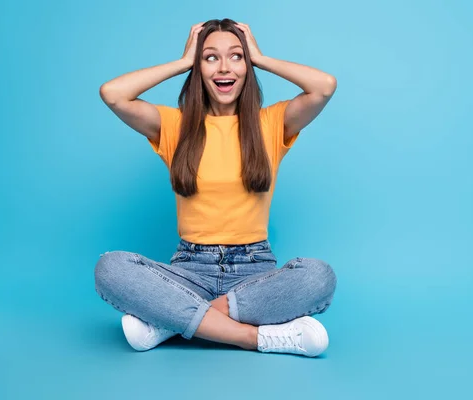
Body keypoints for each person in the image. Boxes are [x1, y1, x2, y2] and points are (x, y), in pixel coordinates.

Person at [95, 18, 337, 357]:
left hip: (254, 274)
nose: (224, 67)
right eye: (210, 57)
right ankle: (253, 337)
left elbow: (324, 86)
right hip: (189, 269)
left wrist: (260, 57)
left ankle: (172, 321)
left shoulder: (271, 123)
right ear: (199, 67)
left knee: (318, 277)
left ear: (247, 65)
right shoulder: (174, 126)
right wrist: (182, 62)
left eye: (236, 56)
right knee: (110, 267)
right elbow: (113, 94)